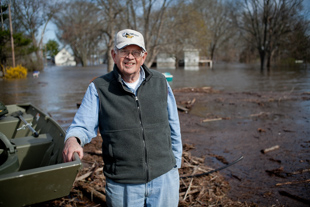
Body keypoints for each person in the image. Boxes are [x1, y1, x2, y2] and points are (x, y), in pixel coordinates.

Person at [62, 29, 182, 207]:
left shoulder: (160, 82)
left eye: (135, 52)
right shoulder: (98, 88)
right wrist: (72, 140)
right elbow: (82, 125)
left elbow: (173, 125)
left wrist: (175, 165)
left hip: (164, 179)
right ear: (114, 54)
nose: (130, 57)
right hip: (123, 184)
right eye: (124, 51)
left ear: (144, 56)